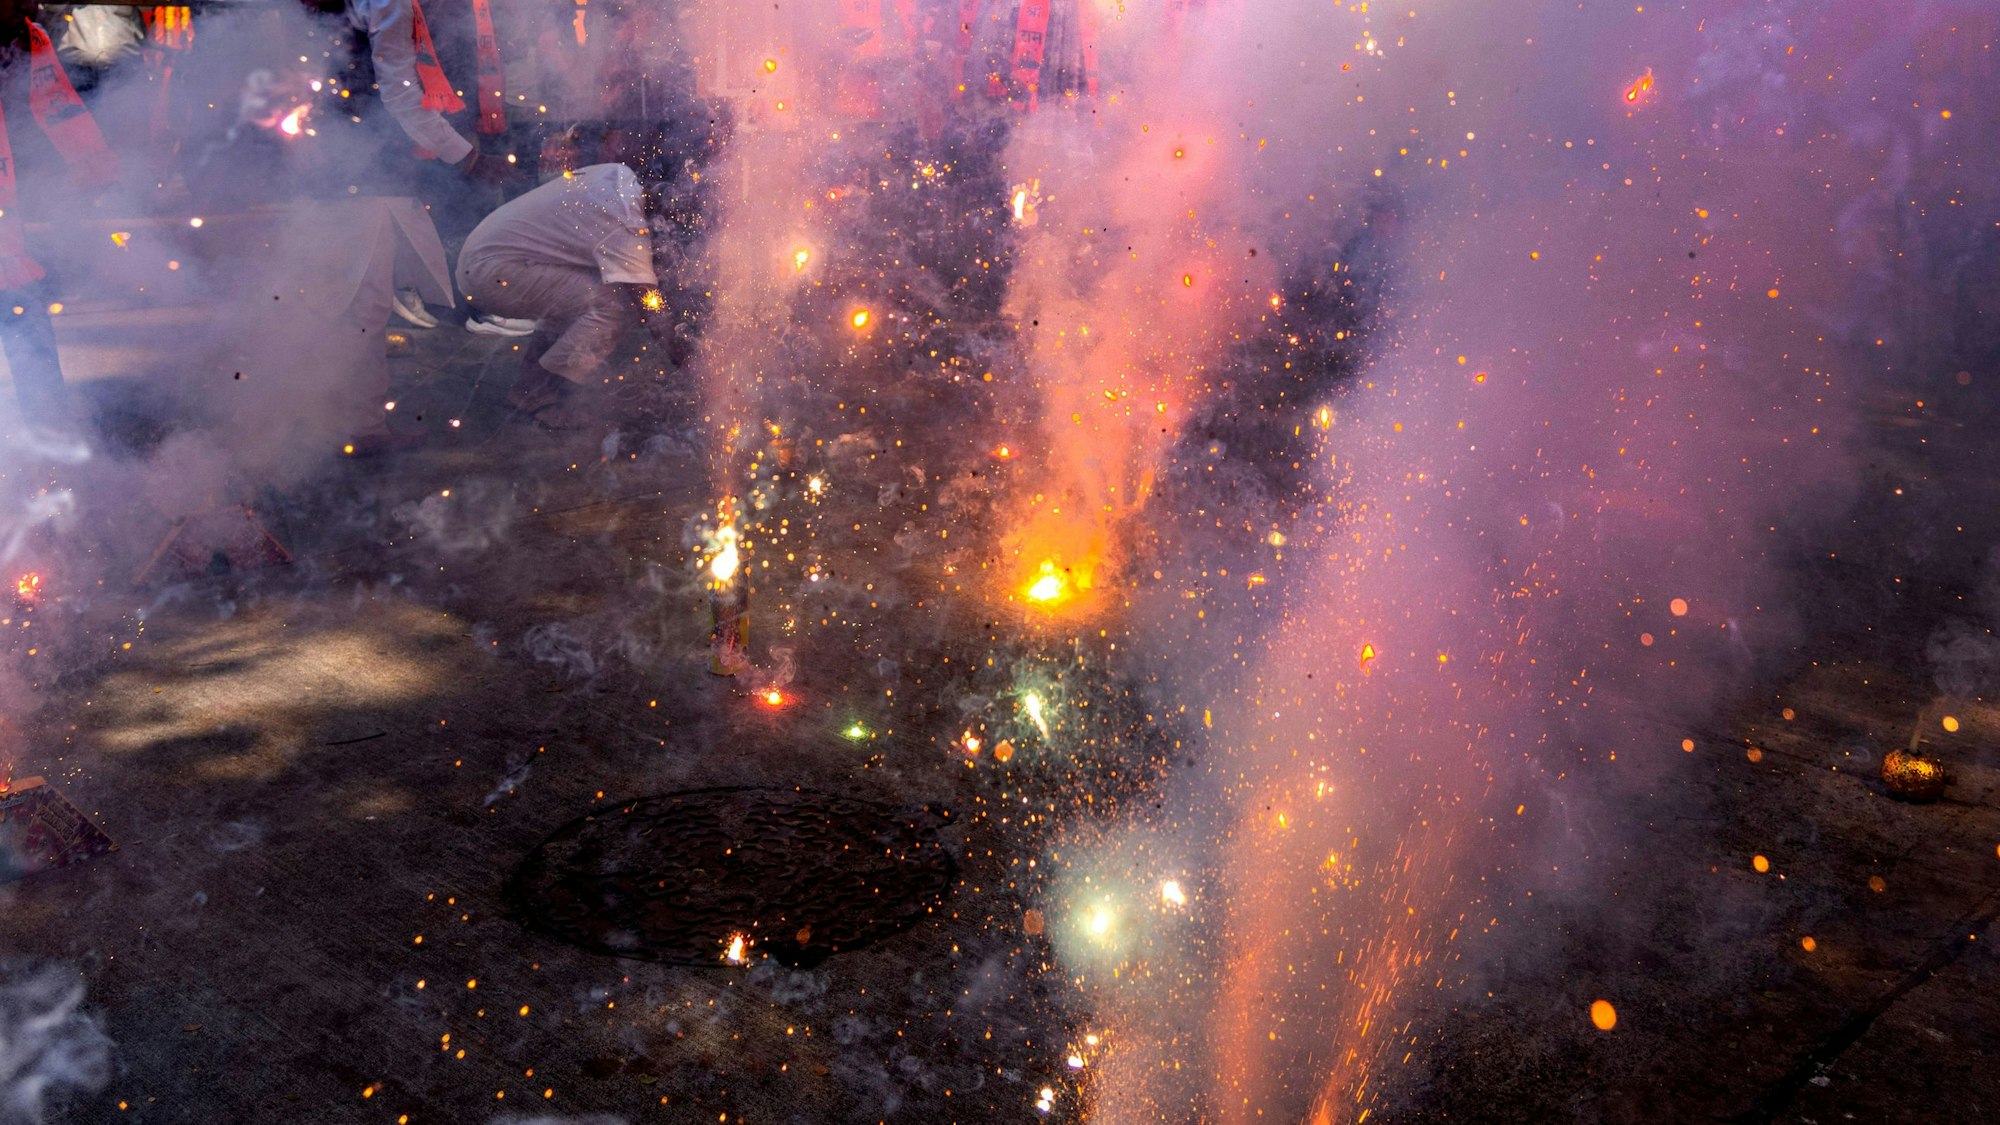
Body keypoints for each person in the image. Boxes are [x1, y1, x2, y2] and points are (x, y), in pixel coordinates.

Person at [454, 161, 689, 424]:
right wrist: (689, 363)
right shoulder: (626, 225)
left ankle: (528, 387)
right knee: (618, 305)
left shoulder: (618, 174)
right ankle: (543, 394)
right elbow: (652, 309)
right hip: (492, 275)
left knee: (588, 291)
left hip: (483, 259)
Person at [0, 0, 117, 430]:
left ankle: (48, 421)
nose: (29, 5)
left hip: (10, 222)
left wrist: (92, 166)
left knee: (21, 302)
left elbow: (57, 103)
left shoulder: (30, 39)